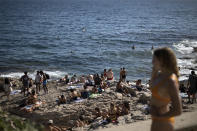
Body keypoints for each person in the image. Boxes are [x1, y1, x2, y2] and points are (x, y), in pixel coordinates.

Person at [150, 47, 182, 131]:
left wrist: (160, 116)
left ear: (162, 61)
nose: (152, 62)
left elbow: (178, 110)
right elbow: (152, 88)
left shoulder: (170, 81)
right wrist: (154, 72)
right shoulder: (159, 75)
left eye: (154, 59)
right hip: (156, 121)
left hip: (164, 123)